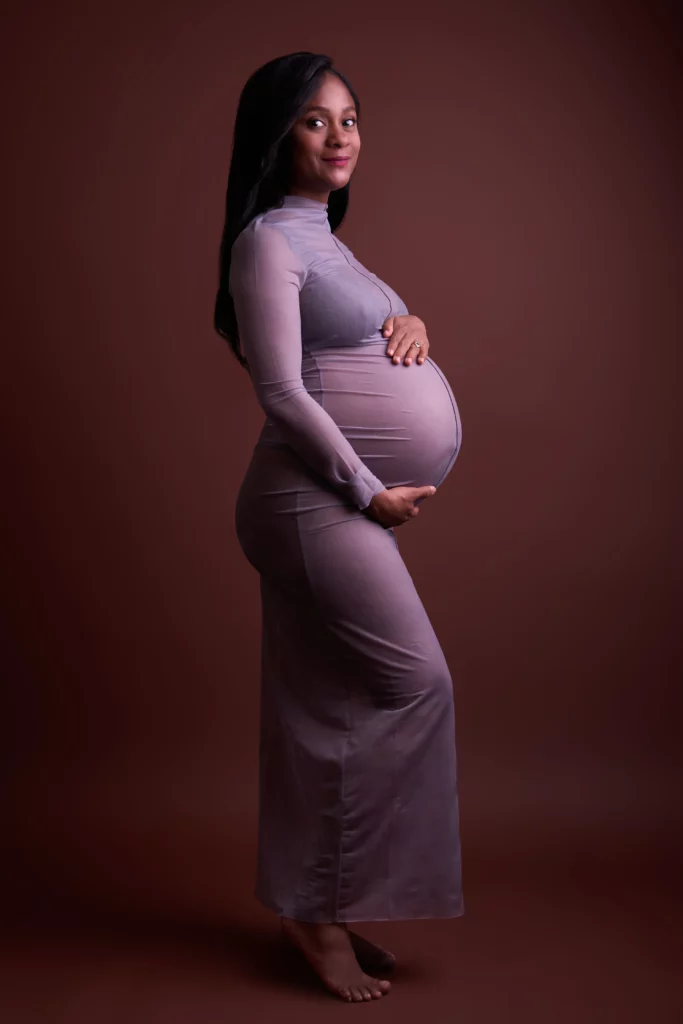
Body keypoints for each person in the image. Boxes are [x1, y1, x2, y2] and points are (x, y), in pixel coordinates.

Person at [213, 51, 464, 1004]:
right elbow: (278, 387)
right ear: (277, 136)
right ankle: (315, 916)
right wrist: (367, 493)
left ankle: (316, 900)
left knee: (323, 708)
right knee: (413, 682)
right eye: (315, 121)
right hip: (309, 503)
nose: (340, 134)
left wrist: (413, 324)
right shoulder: (265, 242)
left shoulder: (322, 236)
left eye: (350, 117)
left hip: (328, 503)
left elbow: (358, 325)